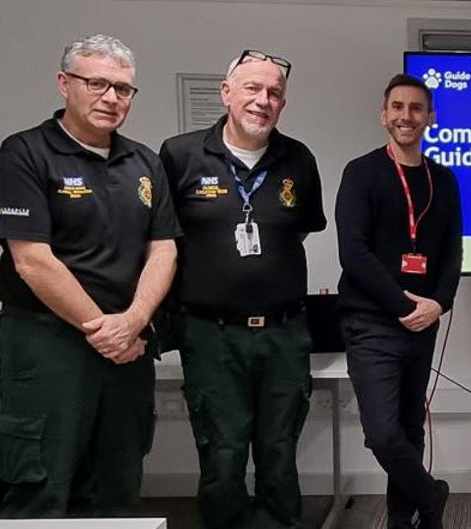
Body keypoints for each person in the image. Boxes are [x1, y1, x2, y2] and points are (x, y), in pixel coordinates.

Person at [0, 34, 181, 517]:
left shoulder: (144, 162)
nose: (111, 97)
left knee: (117, 480)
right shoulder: (25, 153)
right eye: (97, 83)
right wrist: (105, 330)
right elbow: (33, 261)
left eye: (123, 89)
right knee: (42, 482)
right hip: (49, 343)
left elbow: (164, 249)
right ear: (63, 84)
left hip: (128, 346)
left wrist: (133, 320)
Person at [159, 49, 326, 528]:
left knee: (279, 453)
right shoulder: (180, 155)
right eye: (252, 88)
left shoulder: (298, 158)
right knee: (222, 455)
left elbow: (300, 227)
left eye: (274, 92)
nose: (262, 100)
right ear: (226, 93)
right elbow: (161, 240)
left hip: (284, 332)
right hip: (211, 335)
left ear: (283, 103)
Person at [336, 74, 462, 529]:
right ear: (383, 114)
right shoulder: (362, 172)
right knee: (384, 434)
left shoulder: (443, 181)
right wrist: (403, 305)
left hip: (423, 322)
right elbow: (353, 252)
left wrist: (439, 304)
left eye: (416, 108)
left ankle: (401, 519)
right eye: (397, 107)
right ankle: (431, 495)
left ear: (430, 117)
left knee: (410, 428)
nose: (406, 116)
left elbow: (452, 253)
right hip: (371, 323)